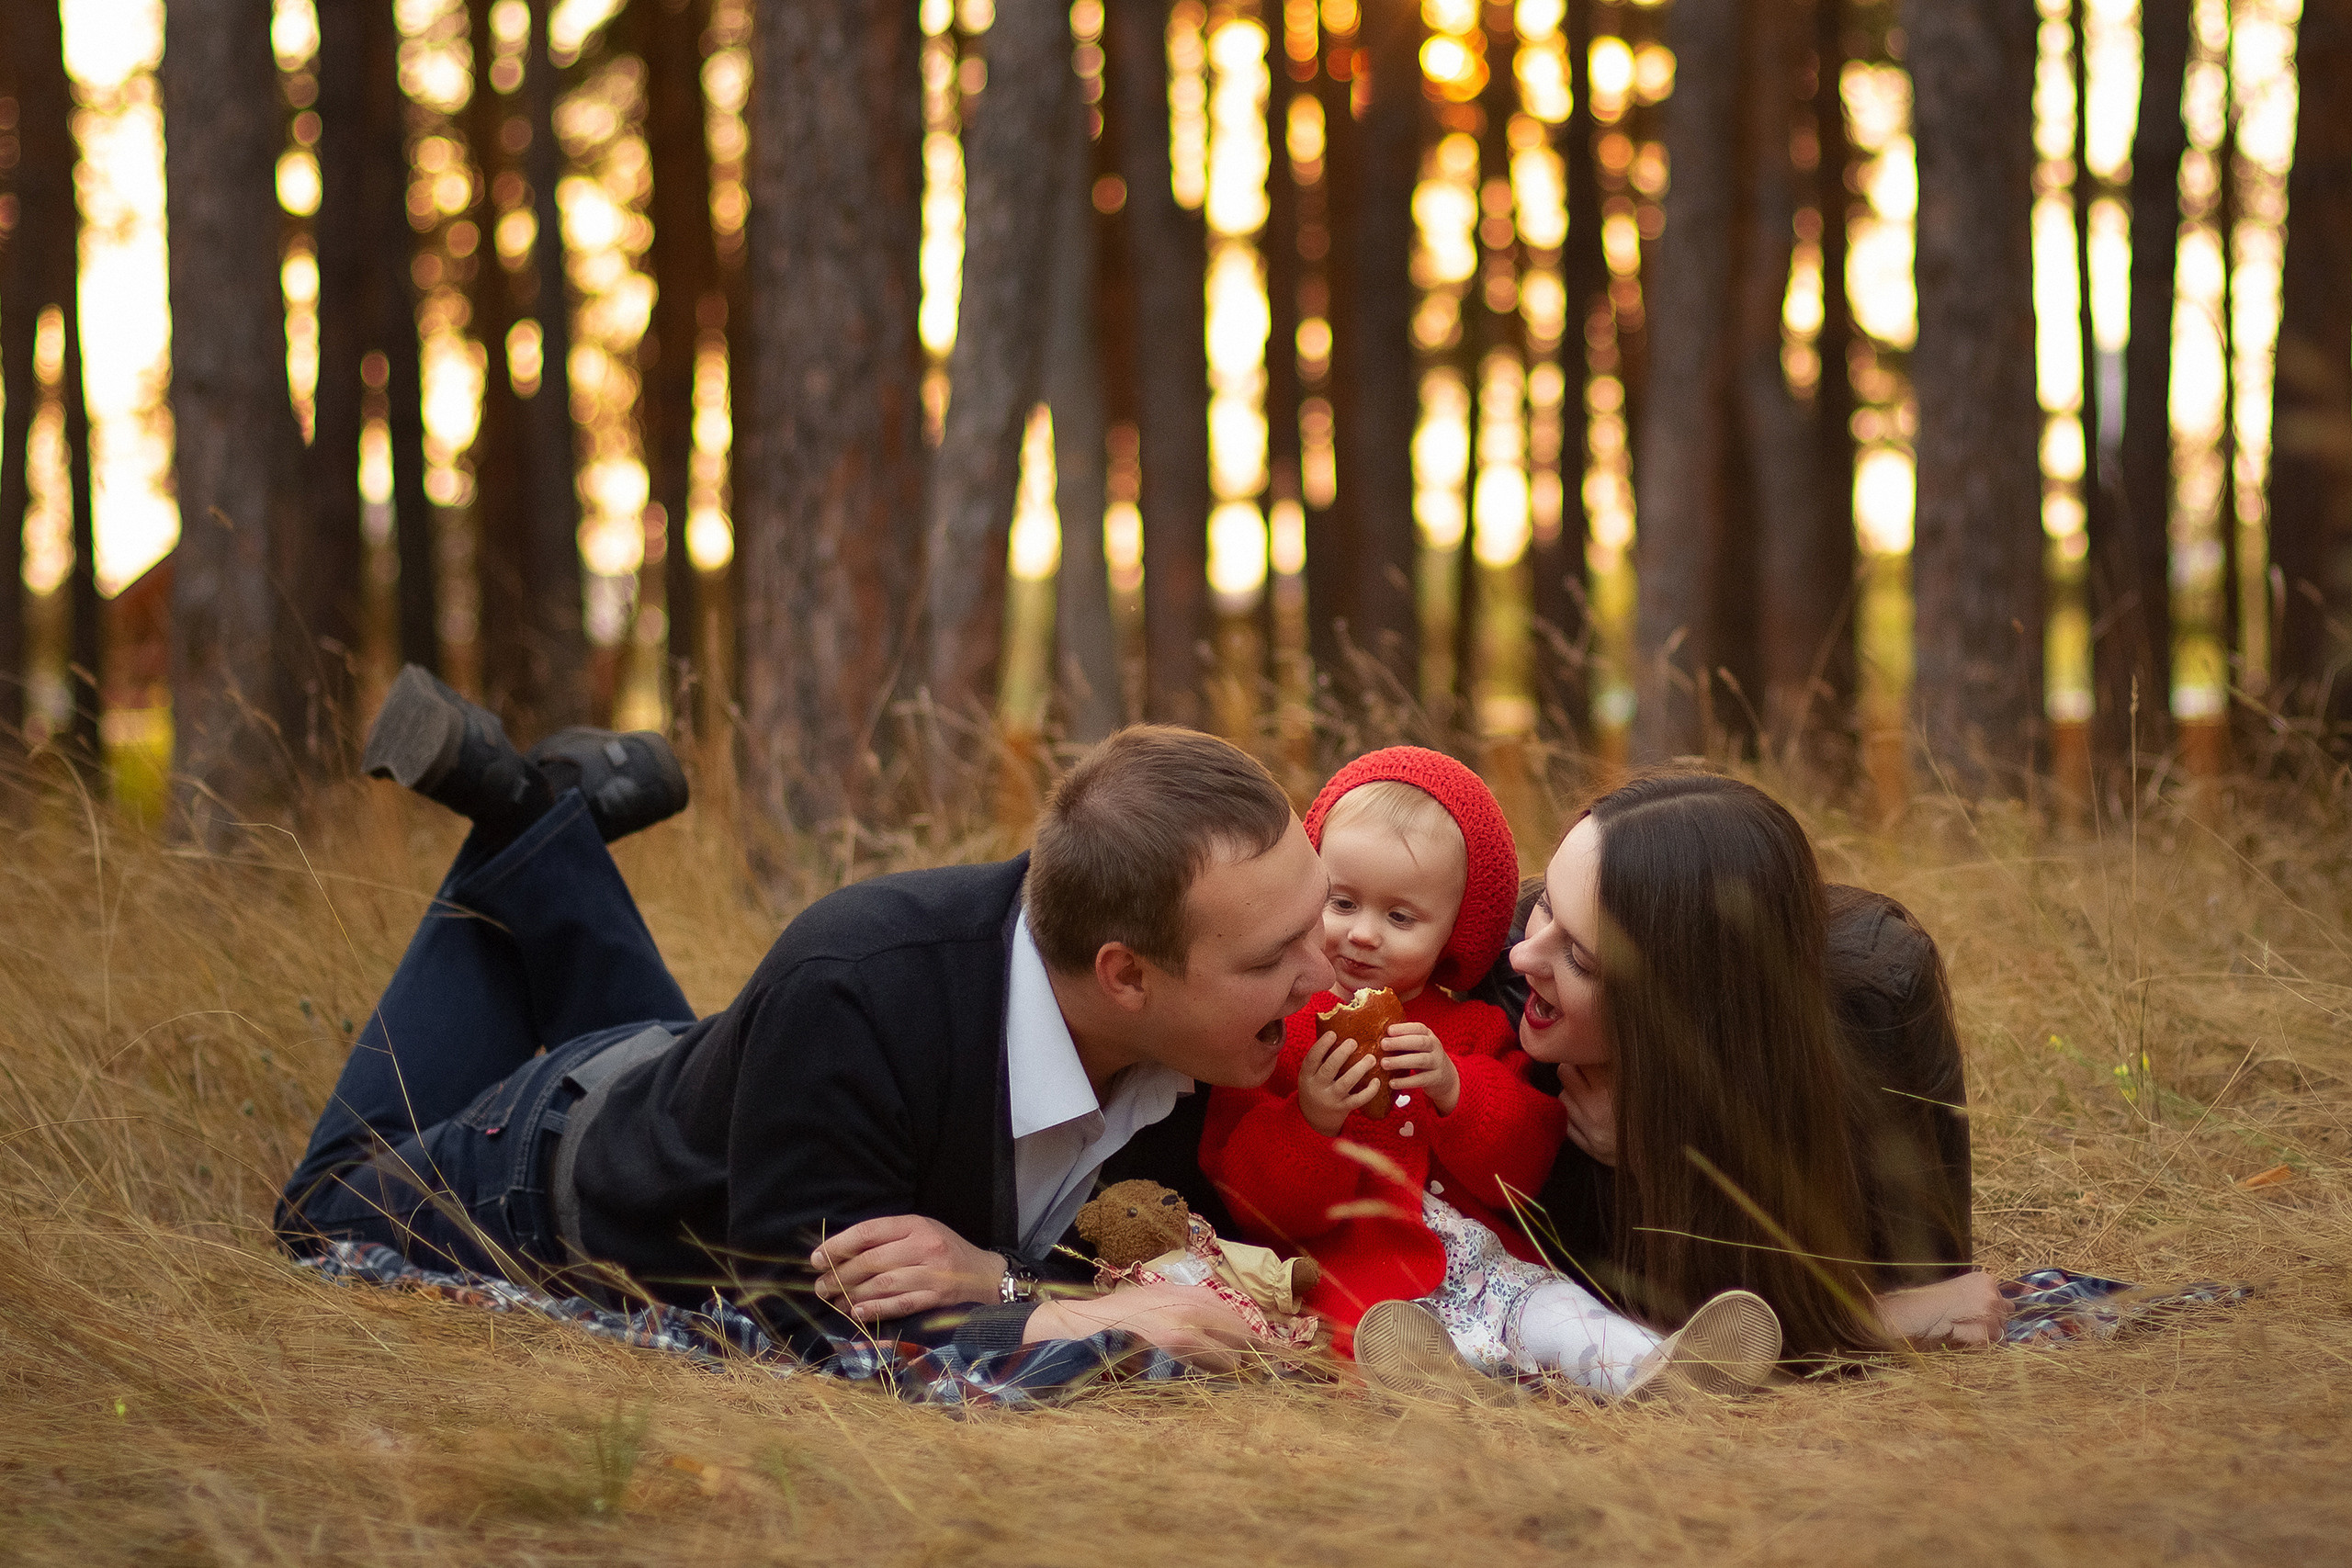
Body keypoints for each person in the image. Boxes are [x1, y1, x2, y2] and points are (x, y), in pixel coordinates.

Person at [277, 666, 1333, 1367]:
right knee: (312, 1219)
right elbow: (804, 1323)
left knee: (715, 1072)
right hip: (541, 1165)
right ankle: (522, 819)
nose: (1322, 966)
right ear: (1126, 975)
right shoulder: (857, 988)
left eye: (1318, 915)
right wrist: (1076, 1314)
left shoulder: (1219, 1041)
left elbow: (1172, 1259)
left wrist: (993, 1276)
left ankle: (547, 823)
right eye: (1273, 954)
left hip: (716, 1086)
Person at [1204, 750, 1785, 1400]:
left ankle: (1658, 1370)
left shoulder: (1474, 1030)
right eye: (1341, 901)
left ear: (1455, 930)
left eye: (1400, 917)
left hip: (1495, 1273)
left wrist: (1456, 1090)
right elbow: (1251, 1198)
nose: (1363, 934)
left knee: (1565, 1316)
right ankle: (1465, 1395)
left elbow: (1524, 1168)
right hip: (1363, 1290)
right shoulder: (1276, 1033)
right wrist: (1310, 1118)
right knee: (1397, 1346)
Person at [1465, 772, 2010, 1373]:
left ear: (1683, 1008)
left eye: (1580, 958)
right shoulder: (1503, 999)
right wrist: (1863, 1320)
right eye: (1544, 906)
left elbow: (1938, 1295)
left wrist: (1669, 1146)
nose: (1524, 953)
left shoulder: (1880, 1005)